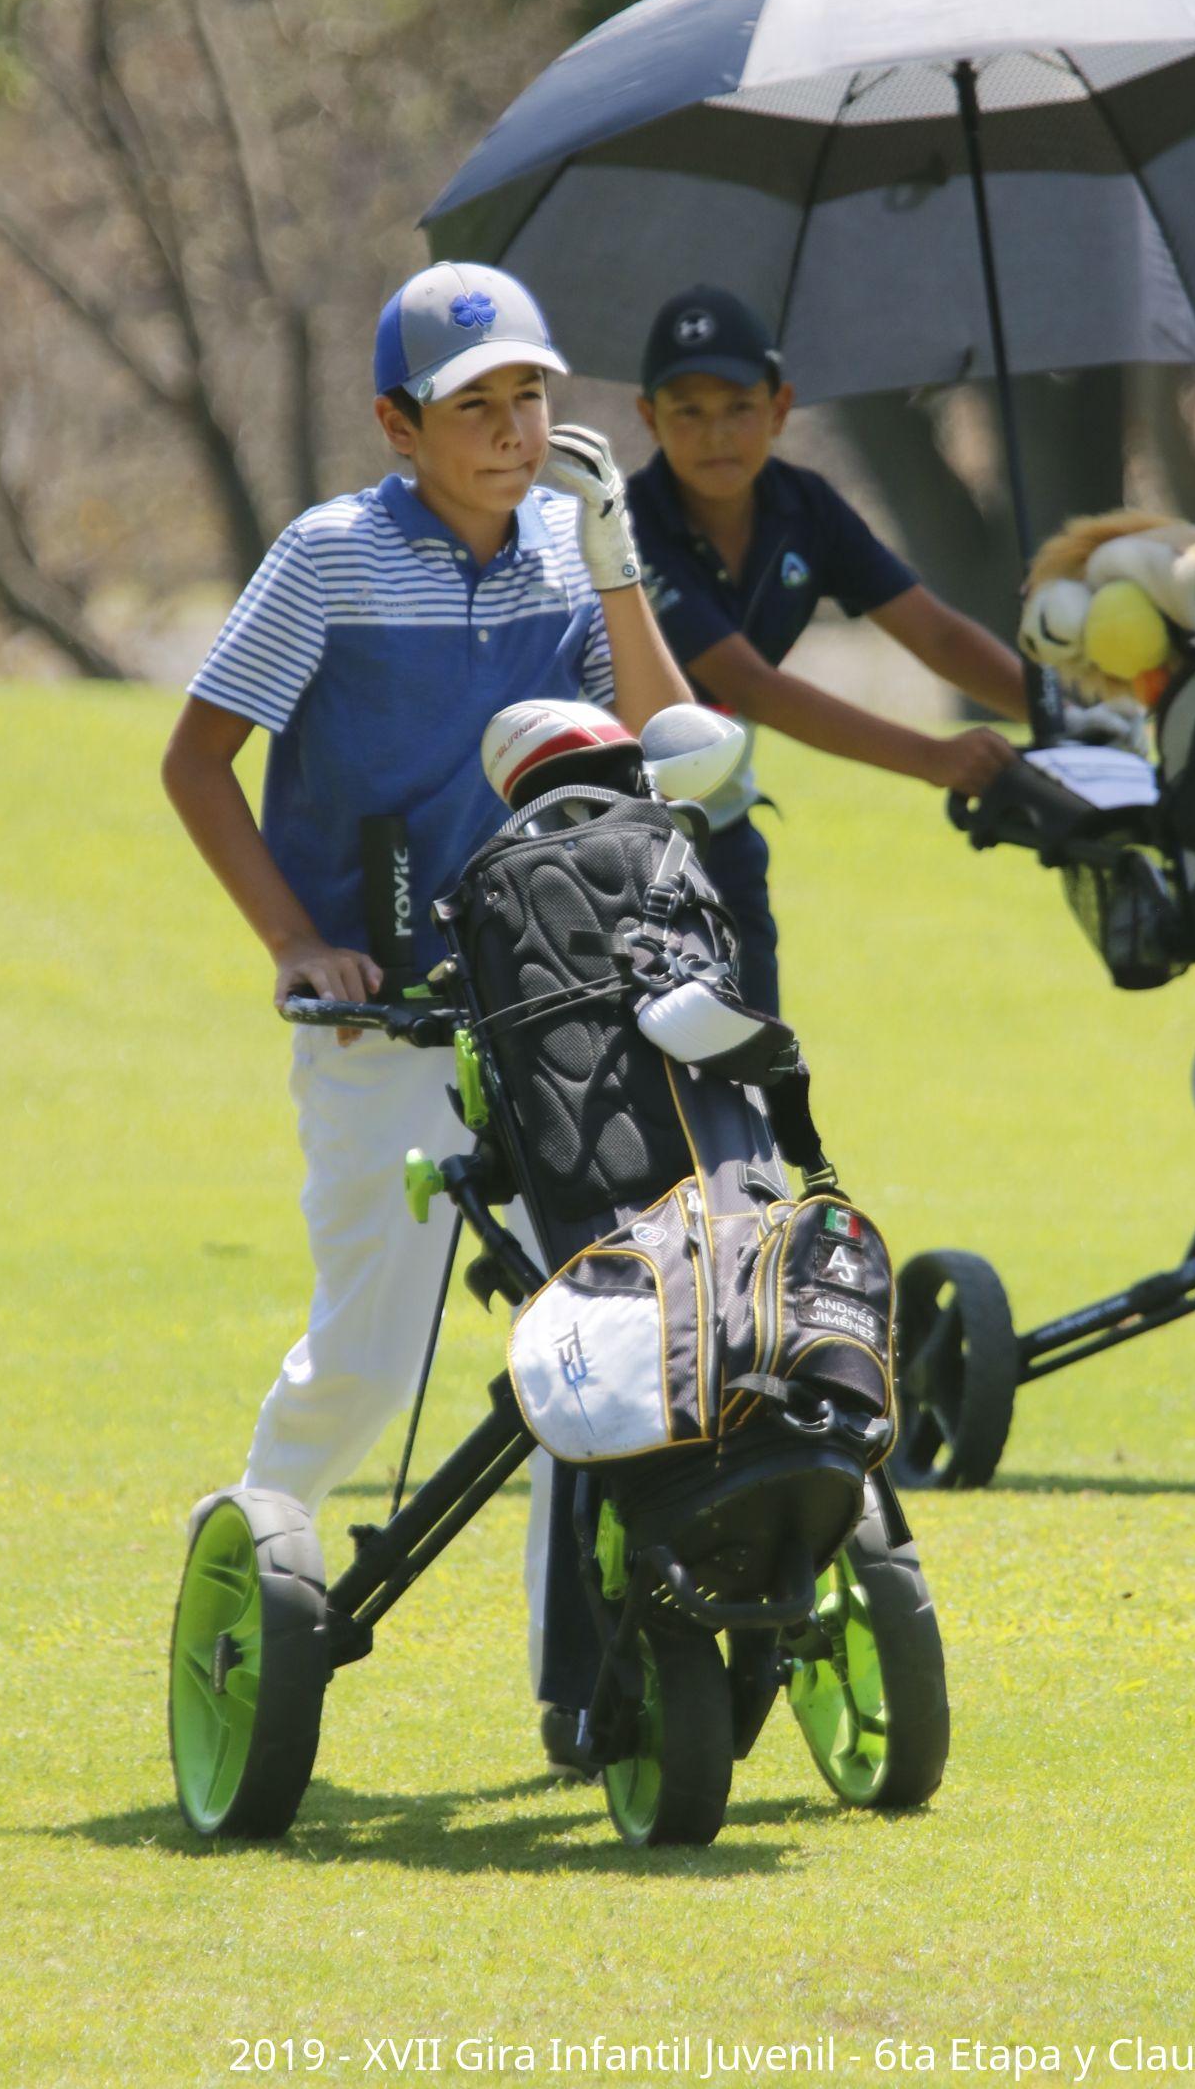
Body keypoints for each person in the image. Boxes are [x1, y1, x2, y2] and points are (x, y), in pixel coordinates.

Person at [162, 264, 690, 1693]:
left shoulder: (571, 547)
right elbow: (195, 762)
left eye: (530, 395)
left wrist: (617, 557)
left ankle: (584, 1686)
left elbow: (656, 744)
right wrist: (293, 943)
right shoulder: (328, 555)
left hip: (550, 1009)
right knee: (371, 1363)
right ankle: (249, 1571)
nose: (515, 430)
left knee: (593, 1343)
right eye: (474, 406)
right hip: (378, 1023)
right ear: (400, 426)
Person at [627, 285, 1027, 1012]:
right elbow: (749, 686)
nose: (716, 433)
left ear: (779, 409)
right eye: (688, 411)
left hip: (721, 827)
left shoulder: (805, 508)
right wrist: (935, 758)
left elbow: (936, 633)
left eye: (739, 407)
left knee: (754, 1059)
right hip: (611, 836)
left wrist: (1061, 711)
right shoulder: (629, 526)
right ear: (648, 417)